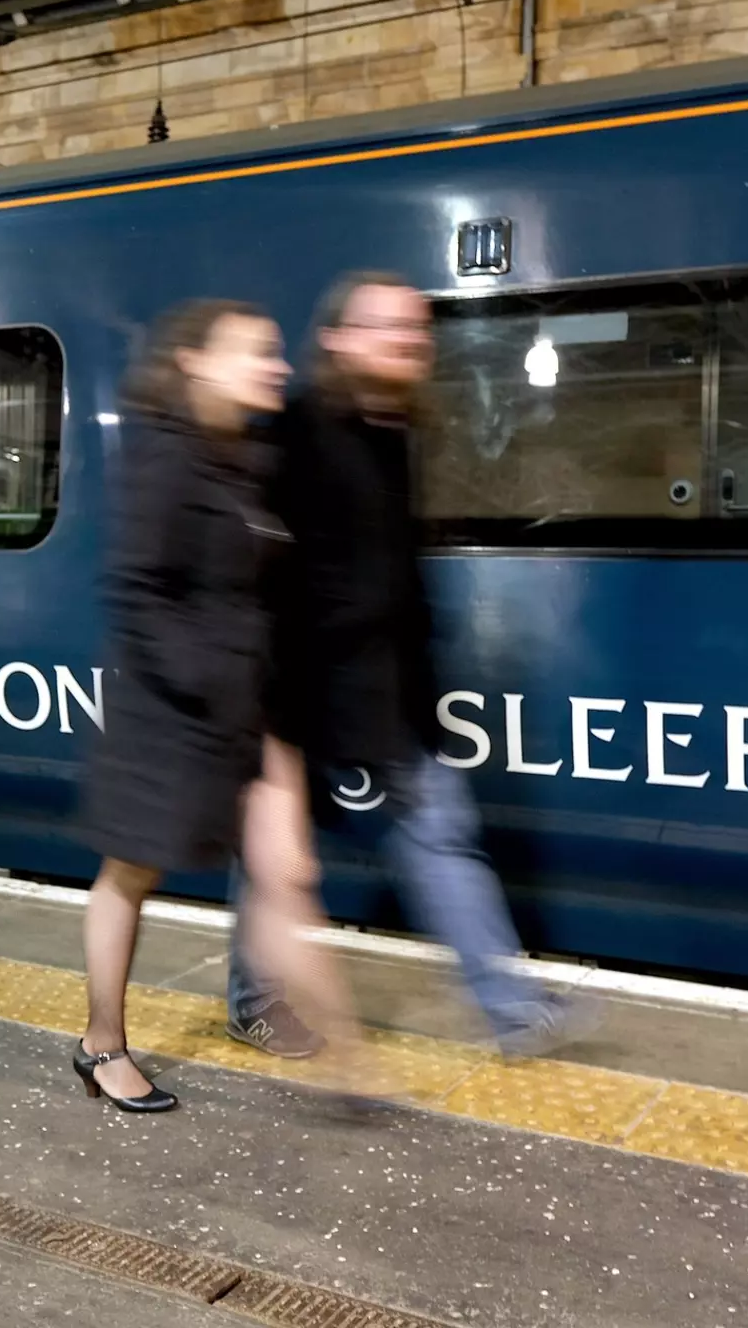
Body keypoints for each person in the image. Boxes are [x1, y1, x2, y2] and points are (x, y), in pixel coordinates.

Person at [226, 271, 586, 1061]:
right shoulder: (291, 439)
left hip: (385, 698)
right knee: (281, 860)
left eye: (415, 330)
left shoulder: (392, 433)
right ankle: (257, 999)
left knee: (428, 838)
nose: (406, 341)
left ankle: (510, 1005)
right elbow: (266, 594)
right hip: (309, 703)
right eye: (385, 327)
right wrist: (275, 732)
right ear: (337, 340)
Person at [77, 300, 363, 1112]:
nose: (276, 366)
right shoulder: (164, 457)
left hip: (250, 705)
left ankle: (342, 1059)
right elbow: (137, 590)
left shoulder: (243, 456)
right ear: (194, 361)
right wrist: (206, 684)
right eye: (255, 352)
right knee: (131, 873)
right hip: (170, 712)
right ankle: (102, 1046)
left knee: (285, 870)